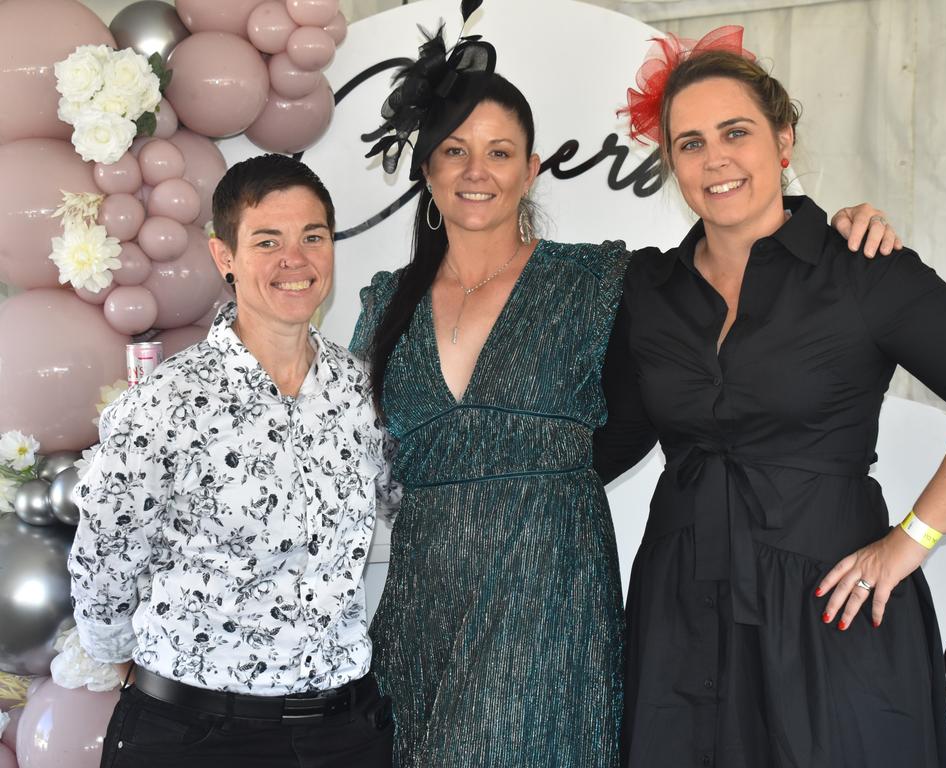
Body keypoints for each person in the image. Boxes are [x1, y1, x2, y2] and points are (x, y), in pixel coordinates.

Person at [352, 22, 903, 768]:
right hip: (421, 605)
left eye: (499, 152)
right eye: (454, 150)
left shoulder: (603, 281)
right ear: (426, 170)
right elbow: (349, 454)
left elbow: (713, 307)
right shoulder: (385, 303)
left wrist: (842, 224)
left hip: (546, 597)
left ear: (532, 169)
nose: (475, 170)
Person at [595, 26, 946, 768]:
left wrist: (909, 543)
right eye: (690, 143)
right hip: (682, 616)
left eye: (736, 132)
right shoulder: (647, 291)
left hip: (832, 612)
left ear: (783, 139)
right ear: (670, 162)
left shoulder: (861, 269)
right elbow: (612, 437)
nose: (715, 159)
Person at [69, 154, 398, 768]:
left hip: (342, 733)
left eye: (312, 237)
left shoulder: (361, 393)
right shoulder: (168, 401)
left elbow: (403, 503)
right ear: (225, 257)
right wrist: (129, 659)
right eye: (267, 241)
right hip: (194, 736)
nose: (294, 260)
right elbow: (104, 559)